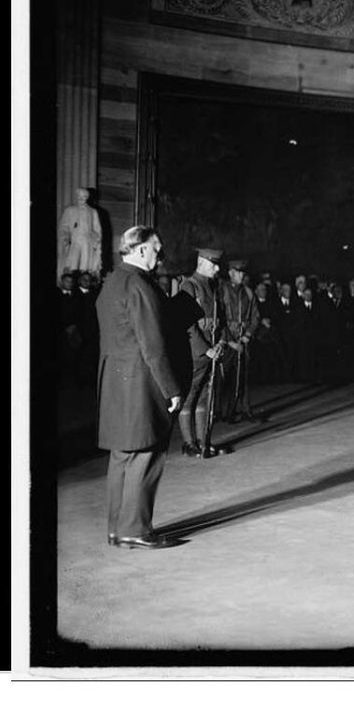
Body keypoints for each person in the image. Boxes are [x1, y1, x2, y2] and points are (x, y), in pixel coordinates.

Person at [95, 226, 185, 549]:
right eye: (156, 248)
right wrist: (171, 389)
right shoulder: (140, 285)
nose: (160, 255)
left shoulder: (113, 281)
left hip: (116, 381)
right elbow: (153, 347)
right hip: (141, 383)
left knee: (122, 455)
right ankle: (136, 530)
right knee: (147, 454)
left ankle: (117, 529)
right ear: (141, 249)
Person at [177, 248, 229, 458]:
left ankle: (203, 441)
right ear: (201, 263)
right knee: (189, 396)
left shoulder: (213, 287)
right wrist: (205, 349)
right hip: (195, 353)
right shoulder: (189, 286)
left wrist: (221, 342)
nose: (217, 269)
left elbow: (221, 319)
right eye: (213, 264)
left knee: (205, 398)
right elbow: (186, 323)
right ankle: (188, 443)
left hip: (213, 351)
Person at [219, 259, 260, 421]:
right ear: (231, 273)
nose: (241, 275)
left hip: (243, 340)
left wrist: (247, 335)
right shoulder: (222, 291)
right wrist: (229, 340)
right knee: (223, 377)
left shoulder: (248, 293)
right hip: (227, 340)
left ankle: (244, 409)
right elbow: (219, 317)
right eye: (238, 272)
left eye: (243, 272)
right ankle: (221, 412)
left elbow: (255, 317)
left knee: (243, 376)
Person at [58, 186, 103, 277]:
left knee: (85, 266)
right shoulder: (69, 210)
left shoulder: (92, 212)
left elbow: (97, 229)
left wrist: (96, 238)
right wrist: (65, 236)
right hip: (74, 240)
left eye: (84, 196)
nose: (82, 198)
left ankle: (85, 280)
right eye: (80, 196)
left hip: (87, 241)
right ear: (77, 196)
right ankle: (71, 279)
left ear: (87, 198)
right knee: (72, 264)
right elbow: (63, 226)